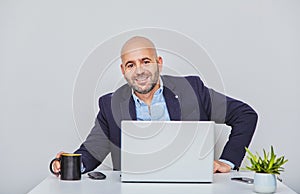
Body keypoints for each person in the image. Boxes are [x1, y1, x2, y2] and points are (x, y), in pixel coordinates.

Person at [53, 36, 258, 174]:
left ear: (158, 62)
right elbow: (92, 152)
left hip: (191, 189)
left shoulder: (192, 90)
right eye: (131, 65)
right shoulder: (110, 105)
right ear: (123, 71)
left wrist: (227, 162)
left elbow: (245, 115)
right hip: (134, 192)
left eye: (145, 61)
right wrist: (64, 165)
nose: (140, 70)